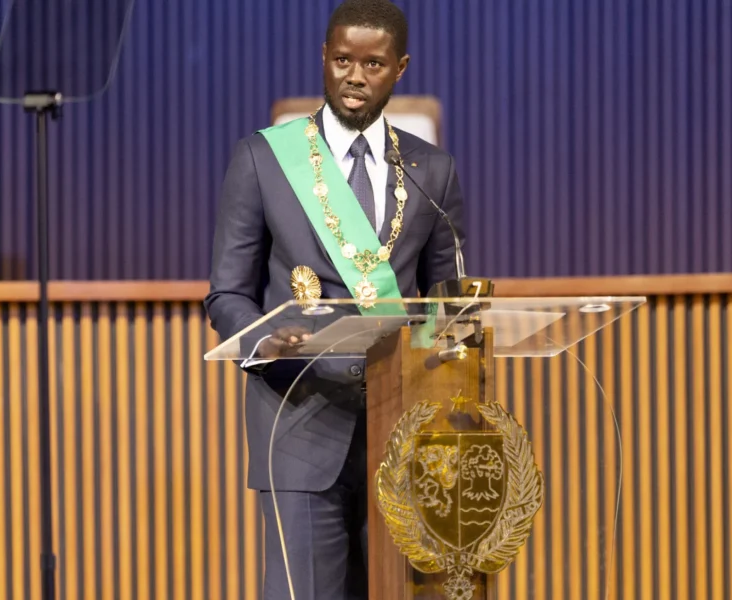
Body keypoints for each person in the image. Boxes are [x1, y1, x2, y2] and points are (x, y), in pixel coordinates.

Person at [204, 0, 466, 597]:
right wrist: (265, 340)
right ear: (324, 56)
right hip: (298, 419)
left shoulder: (433, 171)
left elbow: (448, 304)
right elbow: (227, 294)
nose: (355, 76)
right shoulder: (263, 159)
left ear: (399, 69)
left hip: (403, 430)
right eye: (343, 59)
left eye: (373, 64)